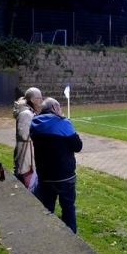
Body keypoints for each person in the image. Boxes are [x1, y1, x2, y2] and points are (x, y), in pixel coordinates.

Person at [29, 98, 83, 233]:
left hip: (44, 174)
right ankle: (71, 238)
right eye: (59, 106)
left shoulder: (34, 123)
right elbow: (77, 146)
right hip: (64, 175)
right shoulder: (63, 123)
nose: (61, 109)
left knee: (47, 207)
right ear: (54, 107)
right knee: (68, 207)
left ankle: (48, 235)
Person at [12, 87, 43, 191]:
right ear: (32, 100)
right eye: (39, 98)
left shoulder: (31, 112)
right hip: (26, 156)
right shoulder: (26, 114)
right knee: (26, 183)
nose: (41, 101)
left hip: (30, 155)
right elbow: (24, 135)